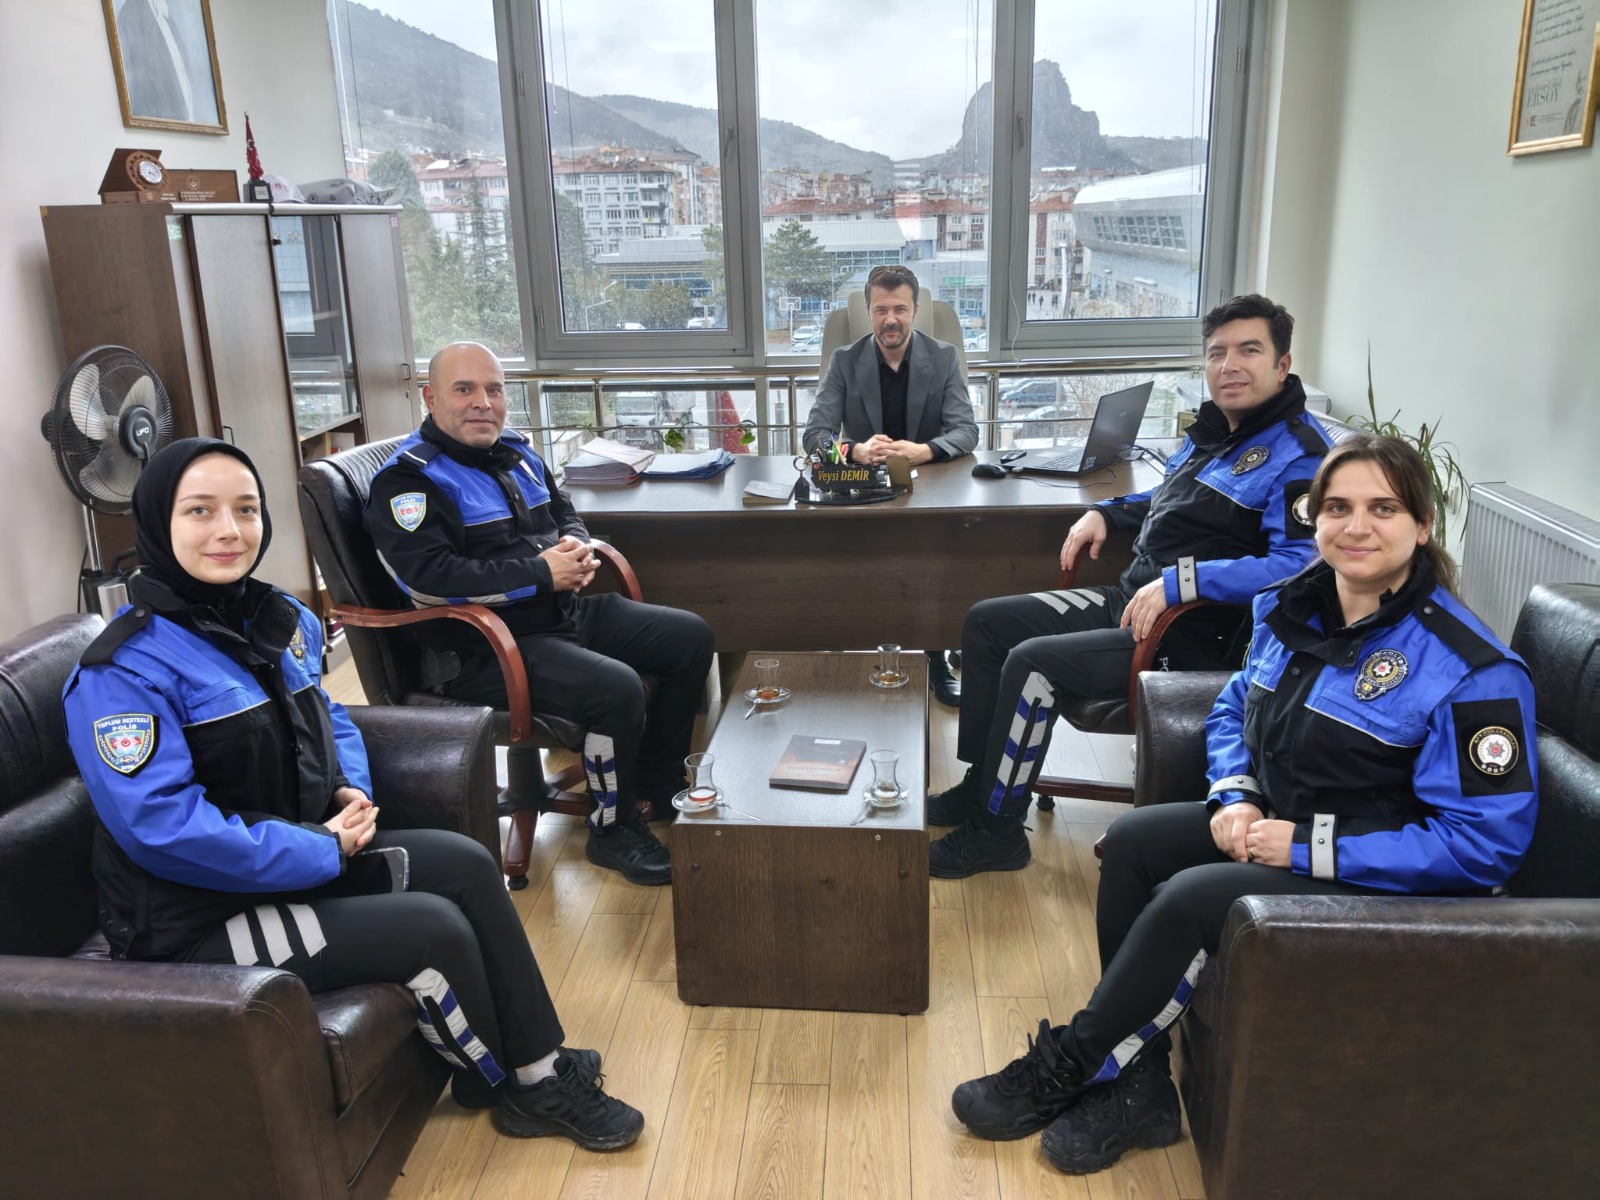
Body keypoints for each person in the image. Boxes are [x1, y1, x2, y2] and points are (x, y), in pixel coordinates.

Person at [950, 433, 1539, 1176]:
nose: (1356, 526)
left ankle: (1071, 1061)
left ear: (1423, 525)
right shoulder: (1294, 607)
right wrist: (1235, 796)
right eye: (1338, 508)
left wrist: (1303, 846)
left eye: (1383, 509)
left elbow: (1483, 848)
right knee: (1132, 844)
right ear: (1315, 519)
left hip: (1381, 875)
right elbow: (1233, 709)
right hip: (1277, 824)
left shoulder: (1475, 670)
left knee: (1193, 897)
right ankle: (1141, 1084)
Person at [61, 439, 644, 1149]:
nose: (230, 531)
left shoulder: (273, 617)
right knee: (429, 927)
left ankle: (537, 1063)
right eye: (200, 511)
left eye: (246, 509)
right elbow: (162, 828)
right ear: (158, 523)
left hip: (297, 860)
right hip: (193, 920)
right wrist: (320, 848)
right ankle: (518, 1085)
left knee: (467, 864)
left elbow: (330, 718)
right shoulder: (121, 670)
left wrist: (348, 790)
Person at [928, 293, 1332, 878]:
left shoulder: (1299, 455)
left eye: (1249, 351)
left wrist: (1184, 583)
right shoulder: (1215, 430)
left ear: (1282, 364)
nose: (1229, 366)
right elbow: (1166, 497)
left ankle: (997, 832)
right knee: (986, 623)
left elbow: (1299, 564)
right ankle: (981, 785)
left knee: (1033, 664)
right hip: (1132, 601)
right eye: (1216, 352)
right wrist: (1109, 512)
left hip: (1189, 635)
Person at [365, 341, 715, 887]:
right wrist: (540, 572)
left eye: (494, 389)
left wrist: (576, 548)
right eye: (464, 390)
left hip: (557, 614)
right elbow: (429, 581)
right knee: (615, 689)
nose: (483, 403)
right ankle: (612, 830)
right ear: (431, 398)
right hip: (483, 648)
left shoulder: (517, 451)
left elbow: (564, 511)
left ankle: (654, 785)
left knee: (689, 637)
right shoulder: (409, 482)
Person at [803, 263, 979, 707]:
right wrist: (855, 450)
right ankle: (862, 653)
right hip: (866, 493)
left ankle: (936, 655)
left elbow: (966, 431)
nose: (890, 319)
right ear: (869, 312)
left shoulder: (943, 357)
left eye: (900, 309)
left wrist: (926, 450)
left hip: (929, 492)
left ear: (915, 310)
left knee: (934, 555)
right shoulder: (845, 361)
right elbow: (814, 435)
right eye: (881, 310)